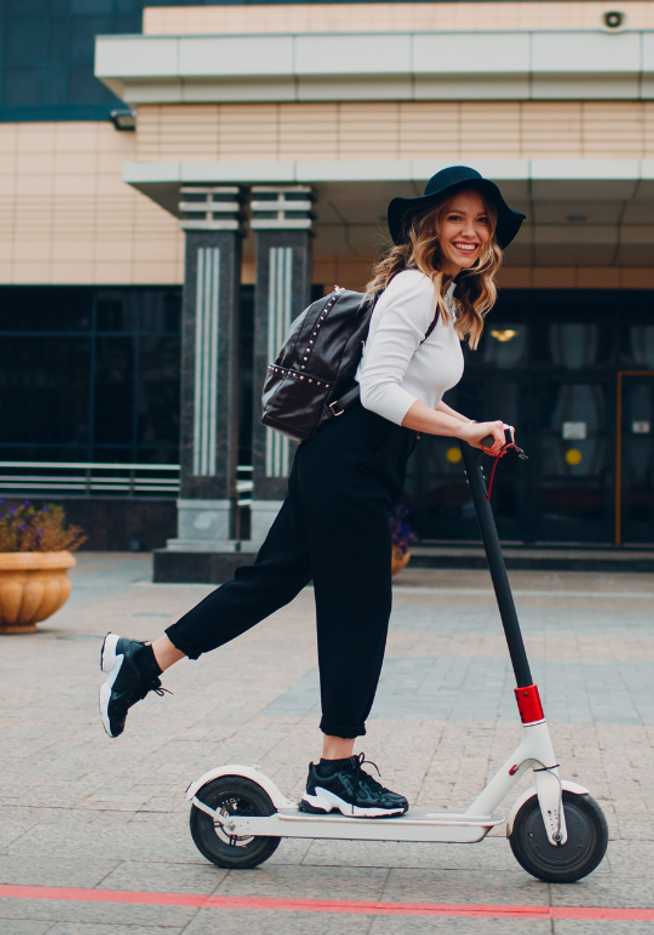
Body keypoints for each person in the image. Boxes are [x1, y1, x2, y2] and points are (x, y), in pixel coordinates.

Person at [98, 166, 525, 818]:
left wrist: (464, 433)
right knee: (360, 611)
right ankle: (334, 770)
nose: (470, 231)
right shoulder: (414, 289)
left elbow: (412, 396)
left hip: (353, 461)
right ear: (431, 225)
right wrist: (468, 427)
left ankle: (139, 664)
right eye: (456, 217)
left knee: (270, 581)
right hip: (354, 460)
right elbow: (381, 392)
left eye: (482, 221)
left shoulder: (442, 301)